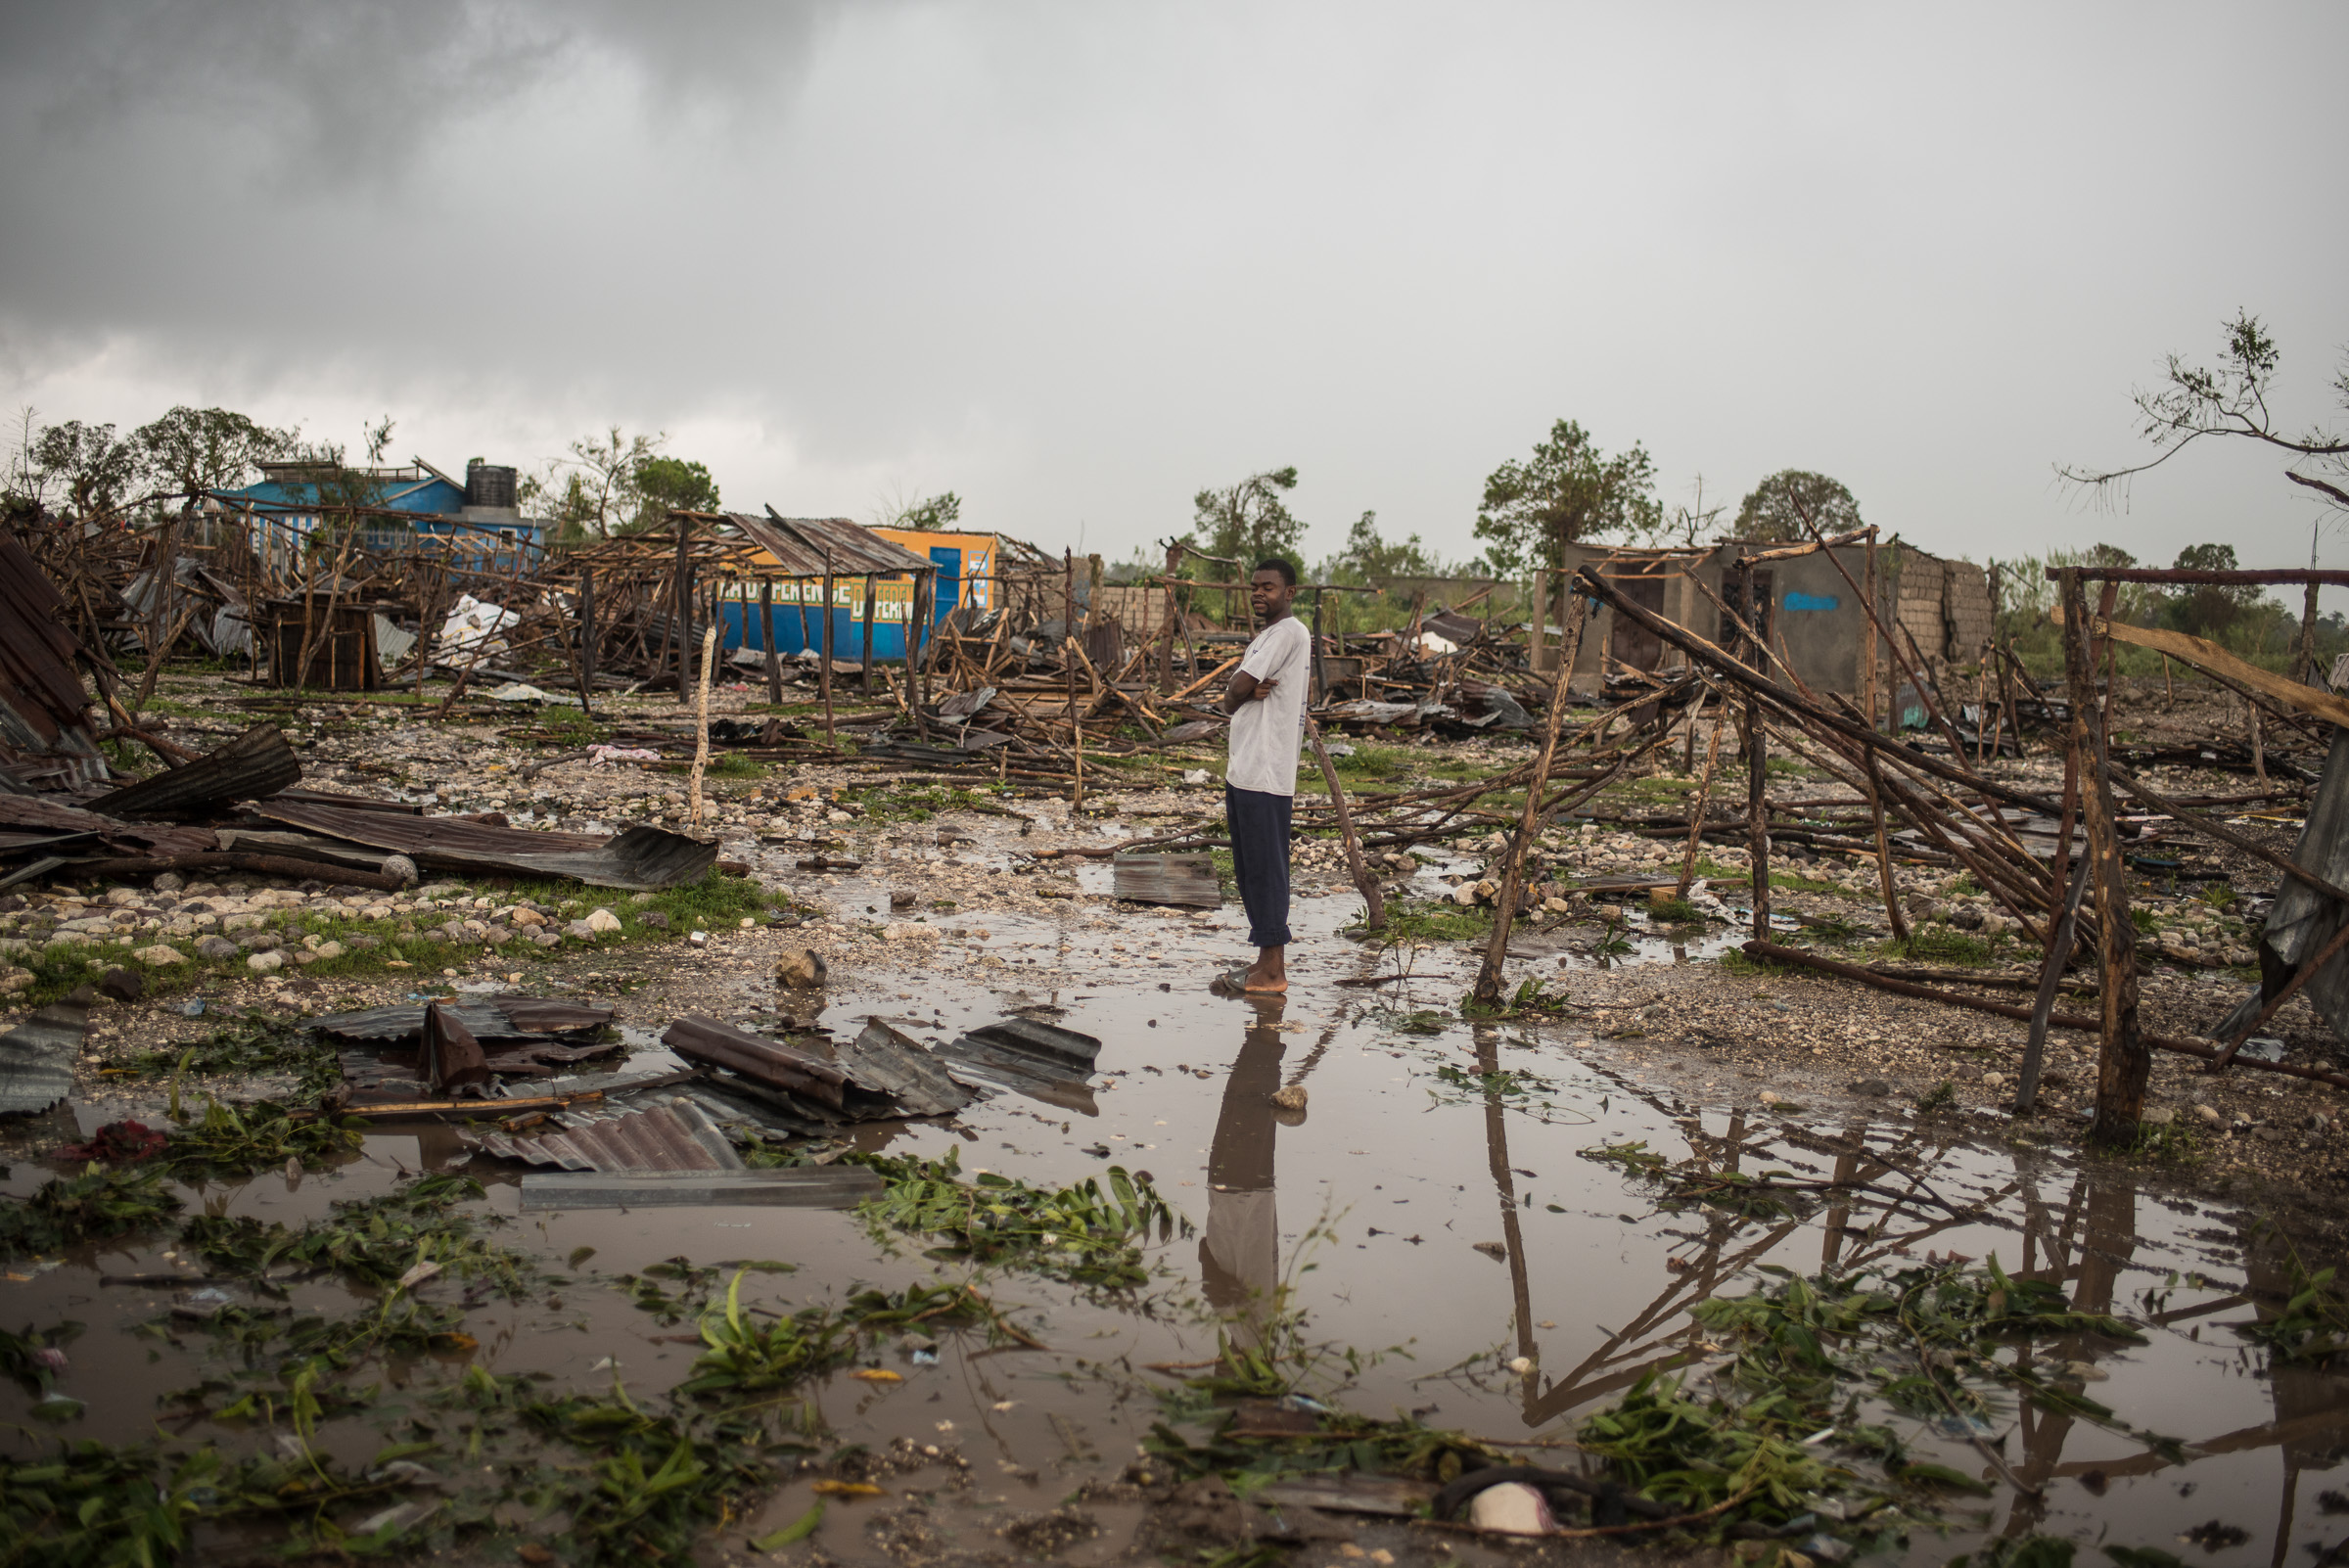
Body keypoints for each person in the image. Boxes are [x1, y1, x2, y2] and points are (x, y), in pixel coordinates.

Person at [1219, 557, 1310, 993]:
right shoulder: (1268, 636)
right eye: (1255, 586)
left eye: (1269, 587)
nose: (1259, 593)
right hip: (1248, 769)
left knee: (1266, 868)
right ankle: (1263, 963)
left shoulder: (1288, 633)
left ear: (1289, 593)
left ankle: (1273, 972)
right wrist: (1238, 692)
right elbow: (1233, 695)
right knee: (1251, 868)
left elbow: (1234, 692)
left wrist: (1240, 691)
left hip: (1266, 772)